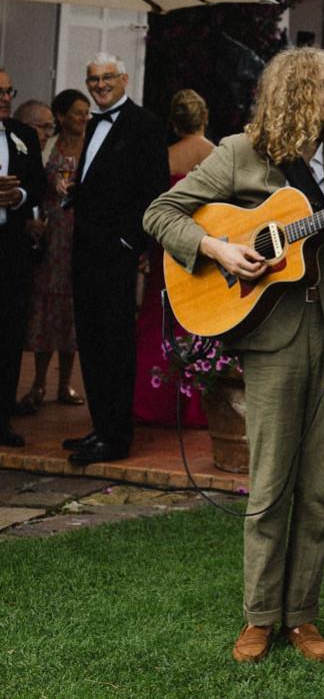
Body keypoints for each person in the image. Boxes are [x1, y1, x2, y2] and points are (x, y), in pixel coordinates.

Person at [144, 47, 324, 665]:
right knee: (268, 488)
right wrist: (218, 249)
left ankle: (302, 617)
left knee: (321, 490)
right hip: (272, 338)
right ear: (292, 94)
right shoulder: (239, 153)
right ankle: (260, 616)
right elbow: (161, 213)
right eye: (320, 83)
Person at [60, 53, 169, 465]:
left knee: (115, 343)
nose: (100, 85)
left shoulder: (146, 126)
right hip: (85, 251)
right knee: (91, 339)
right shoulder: (93, 123)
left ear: (124, 79)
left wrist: (132, 242)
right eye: (93, 80)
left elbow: (154, 191)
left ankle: (117, 436)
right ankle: (100, 426)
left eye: (107, 78)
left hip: (116, 253)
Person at [133, 89, 216, 427]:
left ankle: (151, 401)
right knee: (201, 321)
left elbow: (150, 208)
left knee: (158, 318)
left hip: (165, 246)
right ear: (204, 117)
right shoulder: (219, 155)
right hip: (206, 246)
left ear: (172, 122)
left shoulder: (163, 158)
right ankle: (197, 404)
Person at [19, 89, 91, 416]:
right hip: (53, 230)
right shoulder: (49, 145)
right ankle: (38, 382)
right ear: (62, 117)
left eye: (86, 113)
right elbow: (34, 179)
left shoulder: (92, 145)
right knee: (47, 305)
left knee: (72, 308)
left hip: (80, 230)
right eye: (78, 113)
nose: (84, 118)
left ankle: (65, 382)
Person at [0, 66, 47, 447]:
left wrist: (18, 197)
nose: (4, 98)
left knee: (9, 331)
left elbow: (36, 185)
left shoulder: (24, 135)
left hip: (11, 249)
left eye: (9, 92)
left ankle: (2, 419)